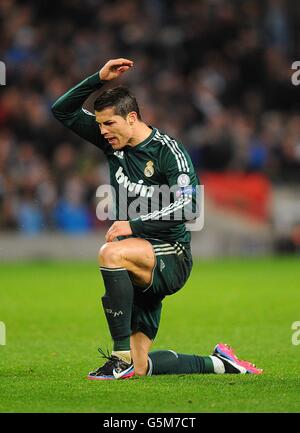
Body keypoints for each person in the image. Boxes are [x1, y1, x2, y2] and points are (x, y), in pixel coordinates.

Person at [52, 58, 262, 379]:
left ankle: (118, 357)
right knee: (142, 368)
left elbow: (189, 207)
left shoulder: (168, 153)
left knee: (111, 254)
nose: (103, 132)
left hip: (170, 254)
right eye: (100, 125)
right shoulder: (113, 143)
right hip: (138, 260)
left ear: (131, 117)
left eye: (109, 124)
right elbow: (62, 111)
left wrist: (132, 225)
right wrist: (98, 79)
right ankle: (221, 363)